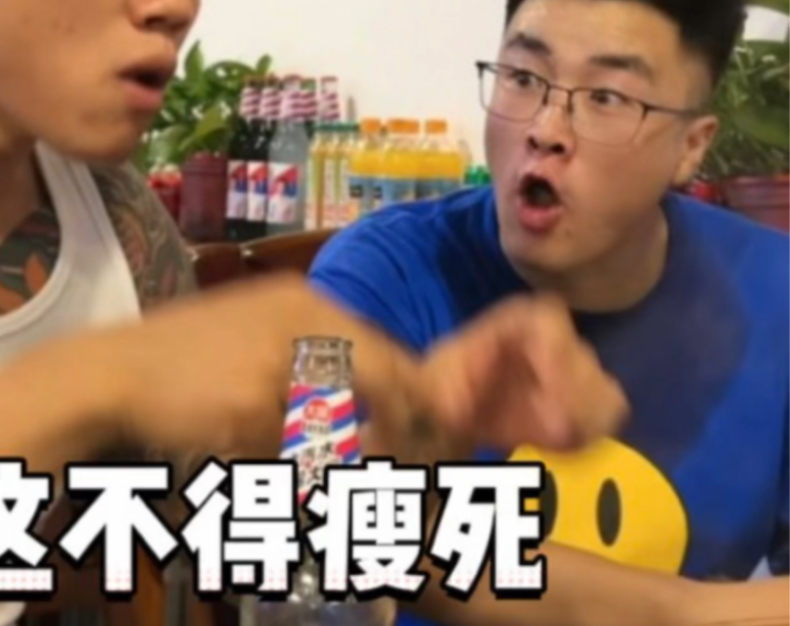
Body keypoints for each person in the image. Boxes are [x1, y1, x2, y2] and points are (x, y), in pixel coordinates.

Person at [0, 2, 632, 626]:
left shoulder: (116, 226)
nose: (175, 8)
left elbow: (258, 530)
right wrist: (98, 383)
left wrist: (409, 429)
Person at [309, 0, 790, 625]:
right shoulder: (381, 276)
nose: (546, 128)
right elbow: (320, 533)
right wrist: (690, 613)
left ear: (691, 146)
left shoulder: (774, 292)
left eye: (607, 97)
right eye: (523, 77)